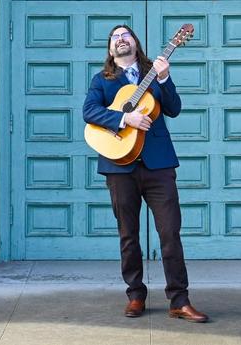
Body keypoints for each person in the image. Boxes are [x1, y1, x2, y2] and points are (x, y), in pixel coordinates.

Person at [82, 24, 209, 323]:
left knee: (170, 233)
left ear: (135, 43)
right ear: (110, 49)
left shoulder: (154, 72)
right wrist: (126, 118)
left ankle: (179, 300)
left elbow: (174, 109)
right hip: (119, 165)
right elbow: (89, 112)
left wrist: (165, 79)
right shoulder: (102, 80)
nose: (121, 40)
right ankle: (136, 295)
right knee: (128, 235)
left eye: (126, 35)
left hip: (159, 165)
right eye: (115, 37)